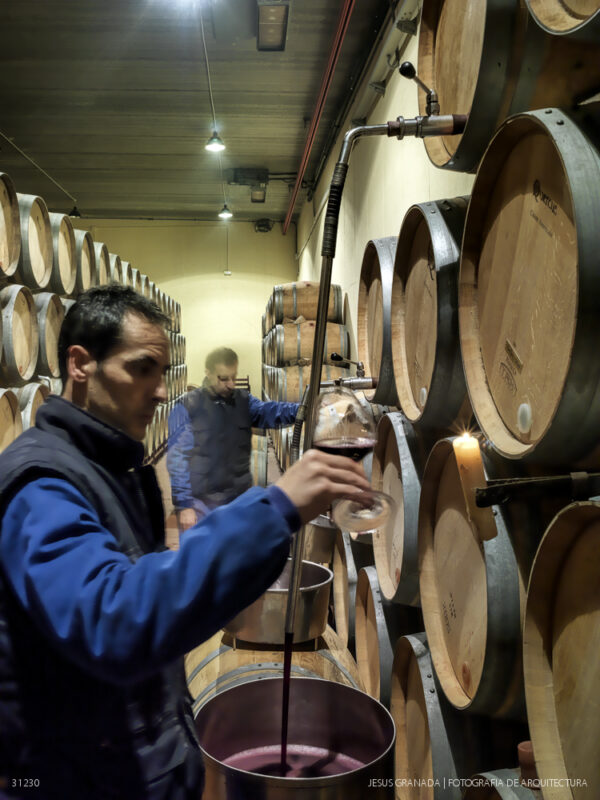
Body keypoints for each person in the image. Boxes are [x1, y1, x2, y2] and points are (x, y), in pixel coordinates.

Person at [0, 285, 370, 800]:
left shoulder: (108, 465)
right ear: (80, 365)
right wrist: (275, 508)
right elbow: (116, 618)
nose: (158, 390)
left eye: (161, 371)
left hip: (124, 765)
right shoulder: (41, 485)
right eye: (142, 368)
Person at [167, 346, 299, 532]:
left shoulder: (243, 401)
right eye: (223, 378)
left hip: (237, 499)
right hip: (200, 504)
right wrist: (184, 505)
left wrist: (303, 409)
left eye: (233, 377)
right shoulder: (187, 406)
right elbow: (177, 459)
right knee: (203, 558)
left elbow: (271, 411)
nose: (230, 384)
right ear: (208, 373)